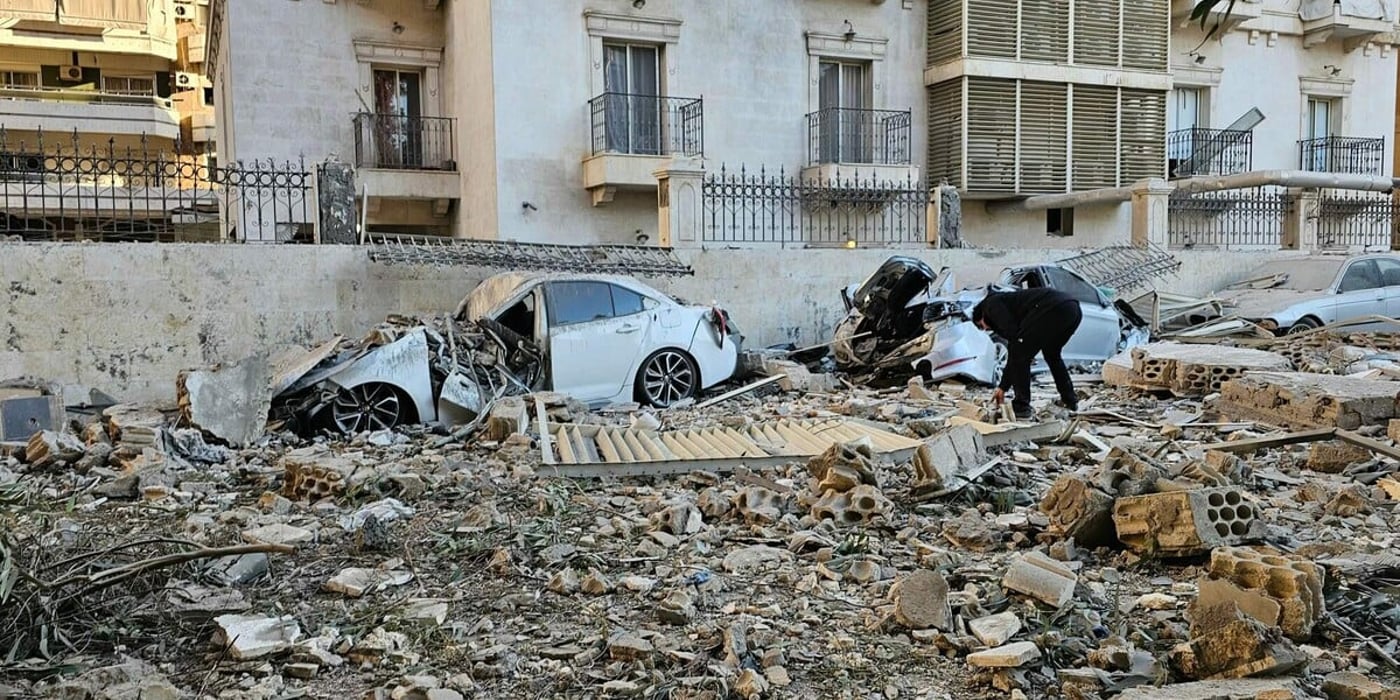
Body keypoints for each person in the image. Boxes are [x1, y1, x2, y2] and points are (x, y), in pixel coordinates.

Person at [971, 287, 1083, 420]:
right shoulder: (1007, 302)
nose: (987, 329)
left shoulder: (991, 306)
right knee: (1052, 355)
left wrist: (1002, 387)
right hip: (1073, 309)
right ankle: (1070, 400)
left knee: (1020, 354)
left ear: (981, 316)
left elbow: (1015, 342)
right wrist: (1003, 387)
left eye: (982, 326)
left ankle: (1021, 407)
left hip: (1052, 308)